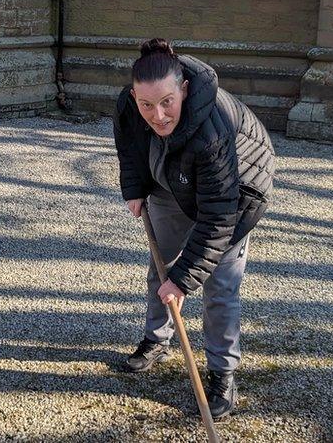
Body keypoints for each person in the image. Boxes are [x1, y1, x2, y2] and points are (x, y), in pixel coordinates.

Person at [113, 38, 275, 420]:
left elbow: (218, 219)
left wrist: (185, 281)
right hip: (173, 182)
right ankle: (157, 338)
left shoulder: (212, 131)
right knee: (161, 270)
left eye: (167, 102)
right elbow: (128, 146)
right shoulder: (127, 105)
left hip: (235, 194)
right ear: (134, 95)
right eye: (146, 104)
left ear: (183, 88)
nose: (159, 115)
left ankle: (222, 371)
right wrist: (134, 187)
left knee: (219, 284)